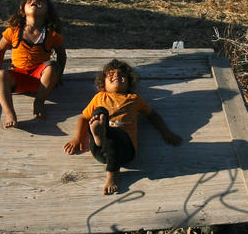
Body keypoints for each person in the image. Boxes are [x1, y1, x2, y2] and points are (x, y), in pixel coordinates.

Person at [63, 59, 182, 194]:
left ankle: (111, 170)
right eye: (111, 75)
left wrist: (166, 132)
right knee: (99, 112)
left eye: (122, 75)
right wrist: (77, 138)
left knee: (112, 133)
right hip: (99, 151)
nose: (117, 76)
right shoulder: (99, 97)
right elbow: (84, 117)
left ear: (129, 82)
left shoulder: (133, 99)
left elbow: (152, 115)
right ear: (103, 84)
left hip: (125, 149)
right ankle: (99, 136)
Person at [0, 0, 66, 128]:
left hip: (40, 81)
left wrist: (58, 76)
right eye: (30, 0)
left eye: (40, 1)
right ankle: (10, 114)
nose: (35, 1)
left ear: (48, 11)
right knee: (1, 75)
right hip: (17, 78)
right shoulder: (13, 31)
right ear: (22, 10)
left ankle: (39, 102)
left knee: (52, 66)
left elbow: (62, 54)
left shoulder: (51, 34)